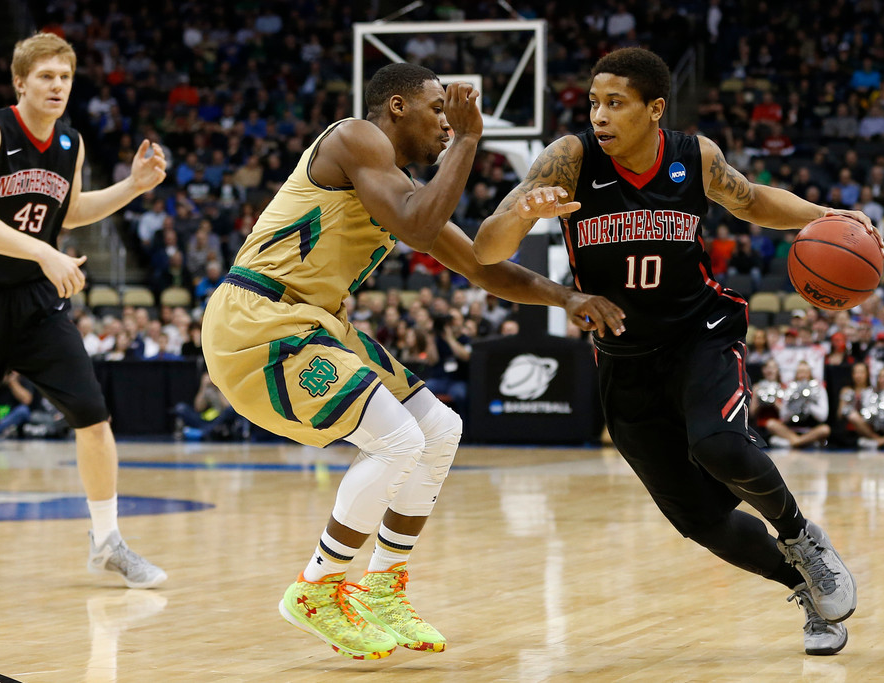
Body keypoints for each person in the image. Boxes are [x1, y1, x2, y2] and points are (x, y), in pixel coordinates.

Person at [201, 63, 624, 660]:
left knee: (440, 428)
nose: (448, 125)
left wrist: (566, 296)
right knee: (397, 440)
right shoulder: (355, 137)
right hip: (259, 320)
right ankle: (318, 587)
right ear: (396, 107)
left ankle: (380, 587)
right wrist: (473, 139)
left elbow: (479, 264)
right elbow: (422, 227)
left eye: (451, 116)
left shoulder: (392, 183)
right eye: (437, 110)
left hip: (315, 322)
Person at [473, 47, 873, 656]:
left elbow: (751, 200)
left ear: (655, 108)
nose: (599, 116)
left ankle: (800, 537)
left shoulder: (694, 155)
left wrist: (823, 215)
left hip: (700, 330)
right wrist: (525, 212)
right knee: (700, 521)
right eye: (593, 103)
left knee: (717, 445)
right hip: (624, 356)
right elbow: (485, 249)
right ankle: (809, 589)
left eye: (616, 103)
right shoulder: (568, 158)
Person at [0, 33, 167, 588]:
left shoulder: (71, 143)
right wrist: (45, 252)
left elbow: (69, 212)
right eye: (47, 77)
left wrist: (132, 185)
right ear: (20, 82)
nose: (58, 87)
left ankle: (108, 542)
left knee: (93, 416)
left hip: (34, 301)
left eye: (66, 77)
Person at [764, 361, 832, 449]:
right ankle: (799, 441)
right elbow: (783, 416)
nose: (802, 375)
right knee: (771, 424)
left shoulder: (819, 389)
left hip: (810, 431)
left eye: (805, 372)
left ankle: (796, 442)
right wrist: (795, 405)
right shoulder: (790, 388)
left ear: (810, 374)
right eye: (800, 372)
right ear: (796, 374)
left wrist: (808, 403)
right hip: (791, 430)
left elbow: (823, 416)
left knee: (825, 429)